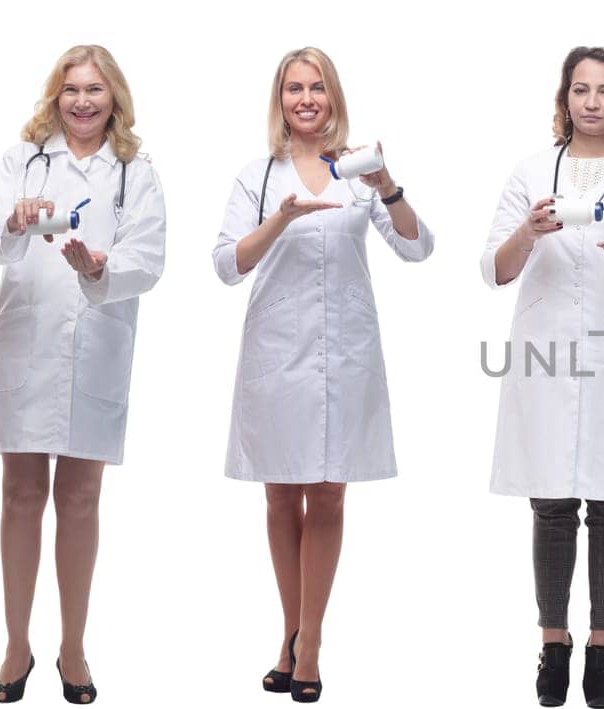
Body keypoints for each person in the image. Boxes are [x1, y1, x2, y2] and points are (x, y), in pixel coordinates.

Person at [212, 46, 433, 704]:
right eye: (293, 89)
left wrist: (387, 185)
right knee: (281, 496)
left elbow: (419, 248)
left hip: (345, 354)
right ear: (279, 101)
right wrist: (280, 218)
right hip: (277, 356)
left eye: (317, 88)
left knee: (330, 496)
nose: (305, 99)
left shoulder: (357, 174)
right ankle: (291, 630)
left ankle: (311, 643)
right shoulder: (258, 176)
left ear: (334, 97)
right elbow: (227, 265)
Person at [0, 44, 165, 706]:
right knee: (20, 495)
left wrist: (100, 265)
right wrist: (11, 219)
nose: (81, 101)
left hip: (97, 344)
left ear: (115, 99)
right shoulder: (25, 160)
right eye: (71, 89)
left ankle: (73, 646)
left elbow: (151, 256)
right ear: (55, 96)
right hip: (27, 342)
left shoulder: (136, 171)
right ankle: (18, 642)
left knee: (78, 499)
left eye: (94, 90)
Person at [482, 46, 604, 709]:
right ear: (564, 98)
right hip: (545, 350)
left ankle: (602, 647)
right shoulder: (532, 171)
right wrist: (529, 231)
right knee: (551, 502)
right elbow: (494, 268)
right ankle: (552, 641)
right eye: (579, 89)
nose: (591, 101)